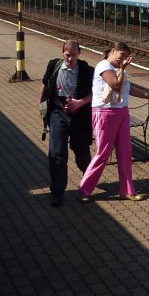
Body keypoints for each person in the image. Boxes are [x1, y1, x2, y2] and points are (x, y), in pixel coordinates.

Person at [78, 42, 149, 202]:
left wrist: (147, 96)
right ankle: (85, 189)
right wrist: (122, 69)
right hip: (104, 113)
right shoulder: (104, 65)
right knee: (103, 154)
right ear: (113, 51)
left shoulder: (118, 69)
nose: (122, 60)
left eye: (125, 58)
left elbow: (126, 87)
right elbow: (115, 85)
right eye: (121, 56)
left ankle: (127, 190)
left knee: (125, 153)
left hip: (122, 112)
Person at [39, 40, 96, 207]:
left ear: (79, 53)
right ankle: (57, 192)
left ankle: (88, 184)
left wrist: (79, 102)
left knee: (82, 153)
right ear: (62, 53)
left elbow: (94, 94)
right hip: (58, 113)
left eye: (73, 55)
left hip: (79, 116)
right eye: (67, 55)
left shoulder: (87, 70)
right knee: (56, 153)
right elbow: (44, 85)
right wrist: (41, 104)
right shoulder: (53, 66)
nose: (70, 59)